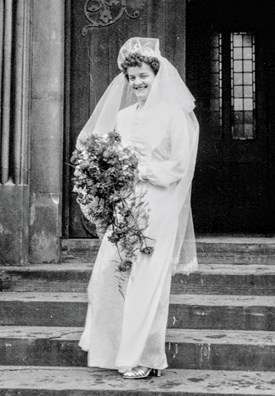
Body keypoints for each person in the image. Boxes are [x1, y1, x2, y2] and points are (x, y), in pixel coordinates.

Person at [77, 37, 199, 379]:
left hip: (158, 205)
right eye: (132, 77)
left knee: (147, 281)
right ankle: (112, 349)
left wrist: (140, 170)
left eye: (143, 75)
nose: (138, 82)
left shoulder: (175, 116)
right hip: (125, 205)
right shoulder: (124, 117)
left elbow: (179, 166)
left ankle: (145, 356)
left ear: (156, 75)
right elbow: (108, 157)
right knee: (108, 275)